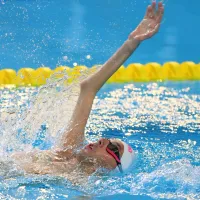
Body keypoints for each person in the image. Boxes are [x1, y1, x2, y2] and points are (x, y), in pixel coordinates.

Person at [11, 1, 164, 178]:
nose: (102, 141)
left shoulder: (83, 185)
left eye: (113, 147)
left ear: (114, 167)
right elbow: (88, 88)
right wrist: (132, 42)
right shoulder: (69, 149)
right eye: (108, 140)